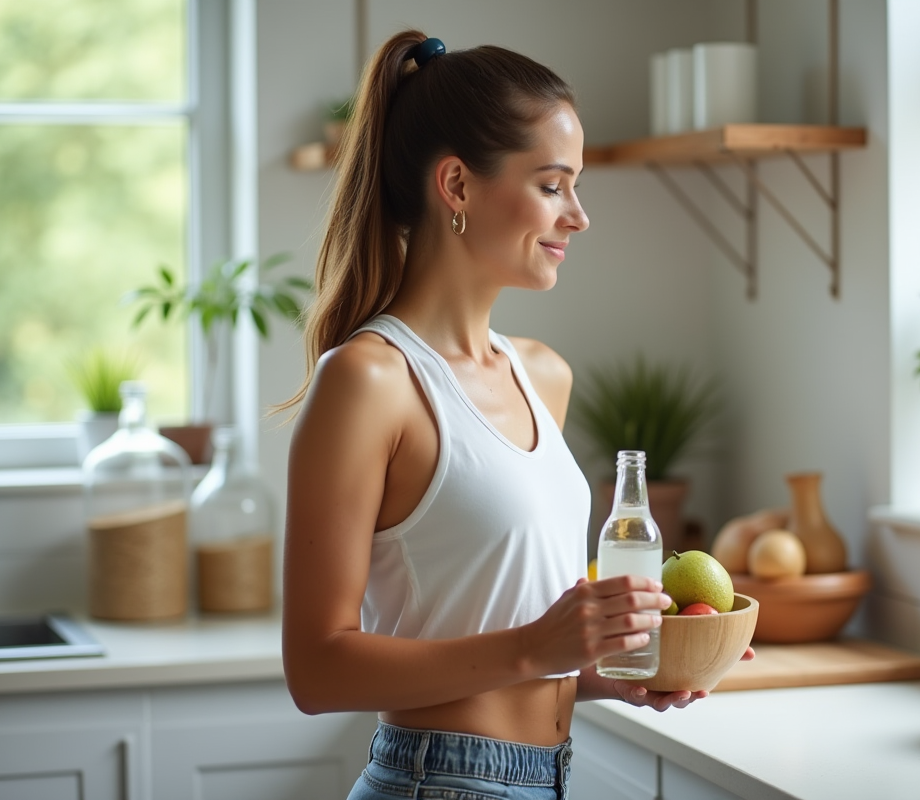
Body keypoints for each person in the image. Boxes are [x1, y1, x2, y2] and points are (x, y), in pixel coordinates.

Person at [279, 30, 751, 800]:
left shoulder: (542, 375)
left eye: (576, 185)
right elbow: (318, 668)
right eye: (553, 185)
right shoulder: (368, 381)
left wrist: (615, 672)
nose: (579, 217)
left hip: (549, 779)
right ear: (457, 186)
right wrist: (538, 648)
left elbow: (505, 634)